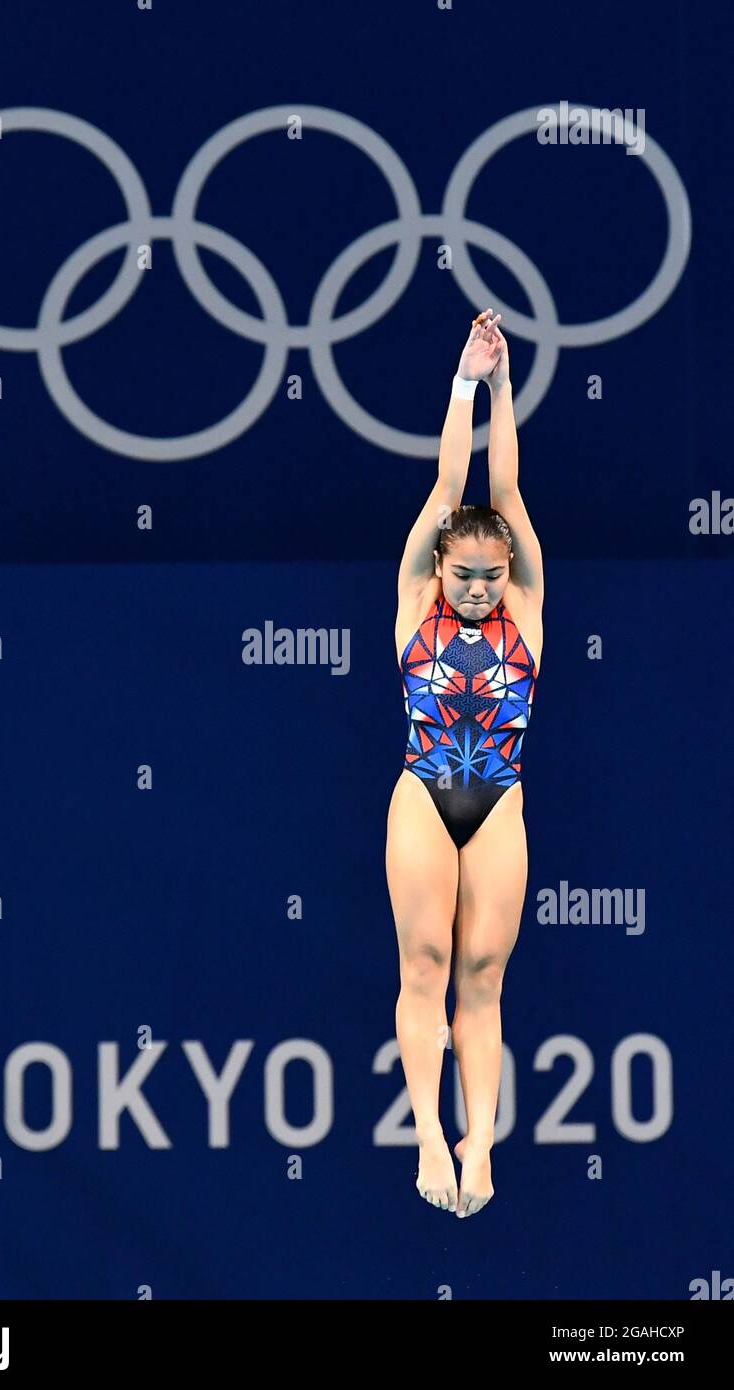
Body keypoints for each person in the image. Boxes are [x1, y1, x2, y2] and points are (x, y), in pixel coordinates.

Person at [385, 309, 544, 1217]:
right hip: (423, 794)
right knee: (425, 964)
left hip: (498, 805)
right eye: (464, 574)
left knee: (482, 974)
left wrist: (506, 390)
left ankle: (479, 1142)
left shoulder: (524, 606)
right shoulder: (417, 596)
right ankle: (426, 1138)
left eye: (490, 575)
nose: (478, 589)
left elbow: (506, 492)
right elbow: (453, 485)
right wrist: (463, 380)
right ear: (438, 566)